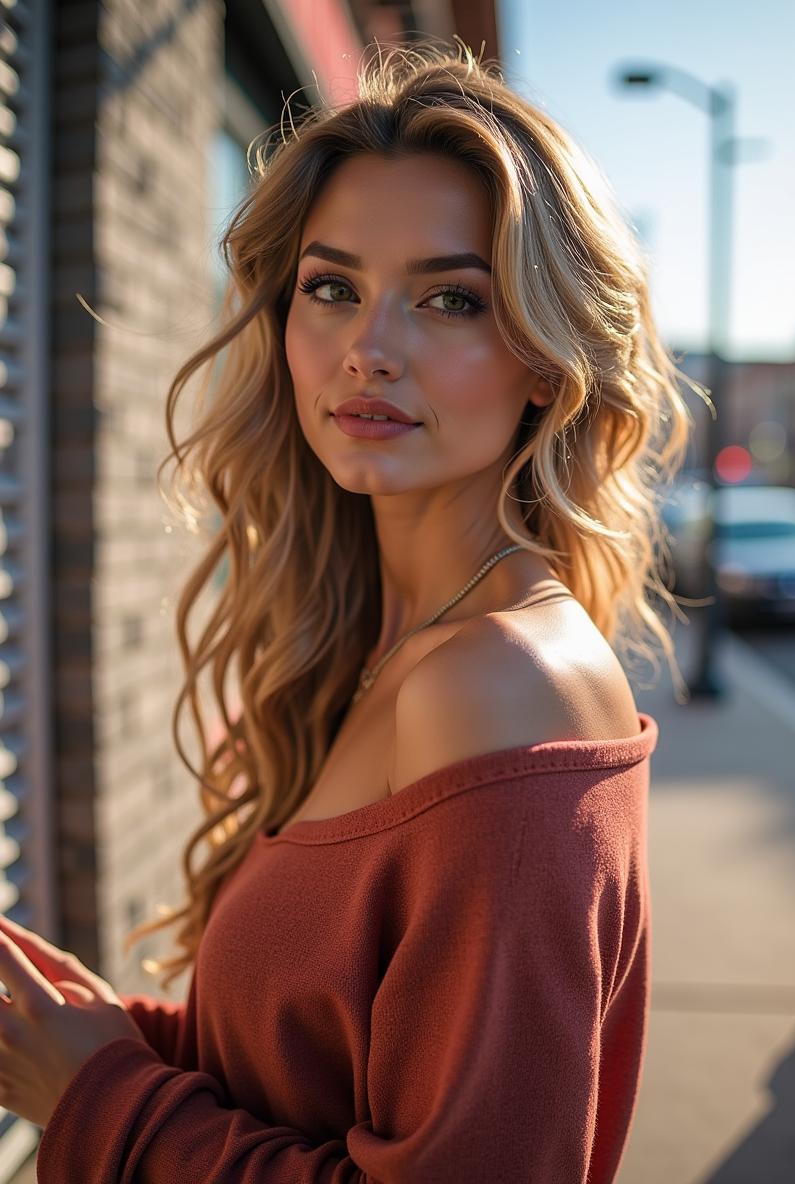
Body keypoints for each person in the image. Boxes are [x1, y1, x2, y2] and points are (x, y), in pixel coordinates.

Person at [16, 40, 704, 1183]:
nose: (367, 351)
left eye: (449, 299)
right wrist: (97, 1039)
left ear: (546, 357)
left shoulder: (499, 685)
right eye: (331, 287)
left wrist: (103, 1102)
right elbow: (317, 1063)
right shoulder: (390, 640)